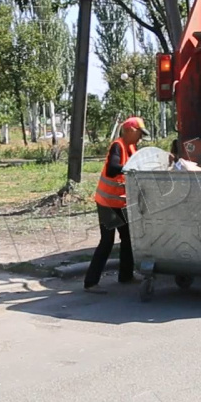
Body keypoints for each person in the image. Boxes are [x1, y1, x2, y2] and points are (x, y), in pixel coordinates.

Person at [84, 116, 151, 293]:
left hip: (119, 202)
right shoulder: (118, 145)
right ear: (129, 130)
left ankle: (126, 275)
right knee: (107, 241)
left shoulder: (131, 146)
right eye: (139, 133)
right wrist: (130, 168)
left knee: (128, 239)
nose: (140, 137)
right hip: (107, 202)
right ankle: (90, 283)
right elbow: (113, 168)